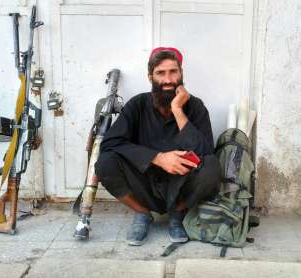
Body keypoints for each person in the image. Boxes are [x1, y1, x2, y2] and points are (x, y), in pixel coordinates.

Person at [95, 47, 221, 246]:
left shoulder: (195, 106)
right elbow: (110, 143)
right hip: (144, 182)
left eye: (173, 72)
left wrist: (178, 111)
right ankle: (142, 213)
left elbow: (206, 151)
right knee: (105, 163)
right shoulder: (137, 105)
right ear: (150, 77)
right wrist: (157, 158)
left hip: (181, 185)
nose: (168, 80)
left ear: (181, 74)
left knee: (212, 167)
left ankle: (177, 214)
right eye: (161, 73)